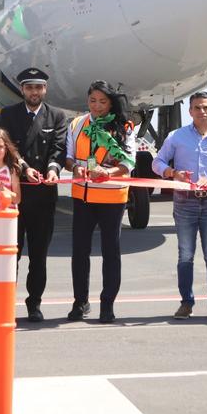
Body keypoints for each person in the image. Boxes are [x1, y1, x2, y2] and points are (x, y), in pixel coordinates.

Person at [152, 91, 207, 321]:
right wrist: (171, 173)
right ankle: (186, 303)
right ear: (190, 111)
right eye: (197, 107)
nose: (202, 111)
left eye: (206, 107)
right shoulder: (176, 137)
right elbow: (156, 162)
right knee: (185, 256)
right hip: (184, 203)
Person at [0, 67, 68, 323]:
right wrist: (24, 168)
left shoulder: (57, 116)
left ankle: (34, 303)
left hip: (44, 196)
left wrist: (52, 169)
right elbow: (6, 147)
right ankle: (5, 303)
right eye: (29, 87)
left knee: (38, 256)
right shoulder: (9, 114)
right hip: (14, 193)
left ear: (45, 89)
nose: (34, 92)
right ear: (22, 89)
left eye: (38, 87)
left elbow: (59, 148)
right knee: (10, 254)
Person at [65, 80, 136, 324]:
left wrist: (108, 174)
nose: (97, 106)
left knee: (111, 252)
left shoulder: (124, 127)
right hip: (83, 195)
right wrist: (75, 168)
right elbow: (68, 157)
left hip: (111, 196)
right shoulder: (76, 124)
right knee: (79, 252)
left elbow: (128, 164)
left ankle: (108, 303)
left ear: (111, 103)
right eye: (92, 101)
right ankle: (80, 302)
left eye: (102, 102)